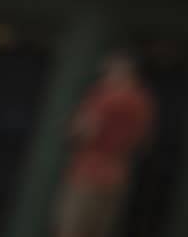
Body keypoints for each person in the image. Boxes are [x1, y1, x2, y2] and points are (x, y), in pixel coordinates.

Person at [54, 50, 155, 237]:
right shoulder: (142, 100)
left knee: (71, 230)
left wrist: (70, 128)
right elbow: (142, 140)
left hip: (87, 172)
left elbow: (85, 131)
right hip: (117, 174)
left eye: (109, 69)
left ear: (121, 69)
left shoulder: (104, 96)